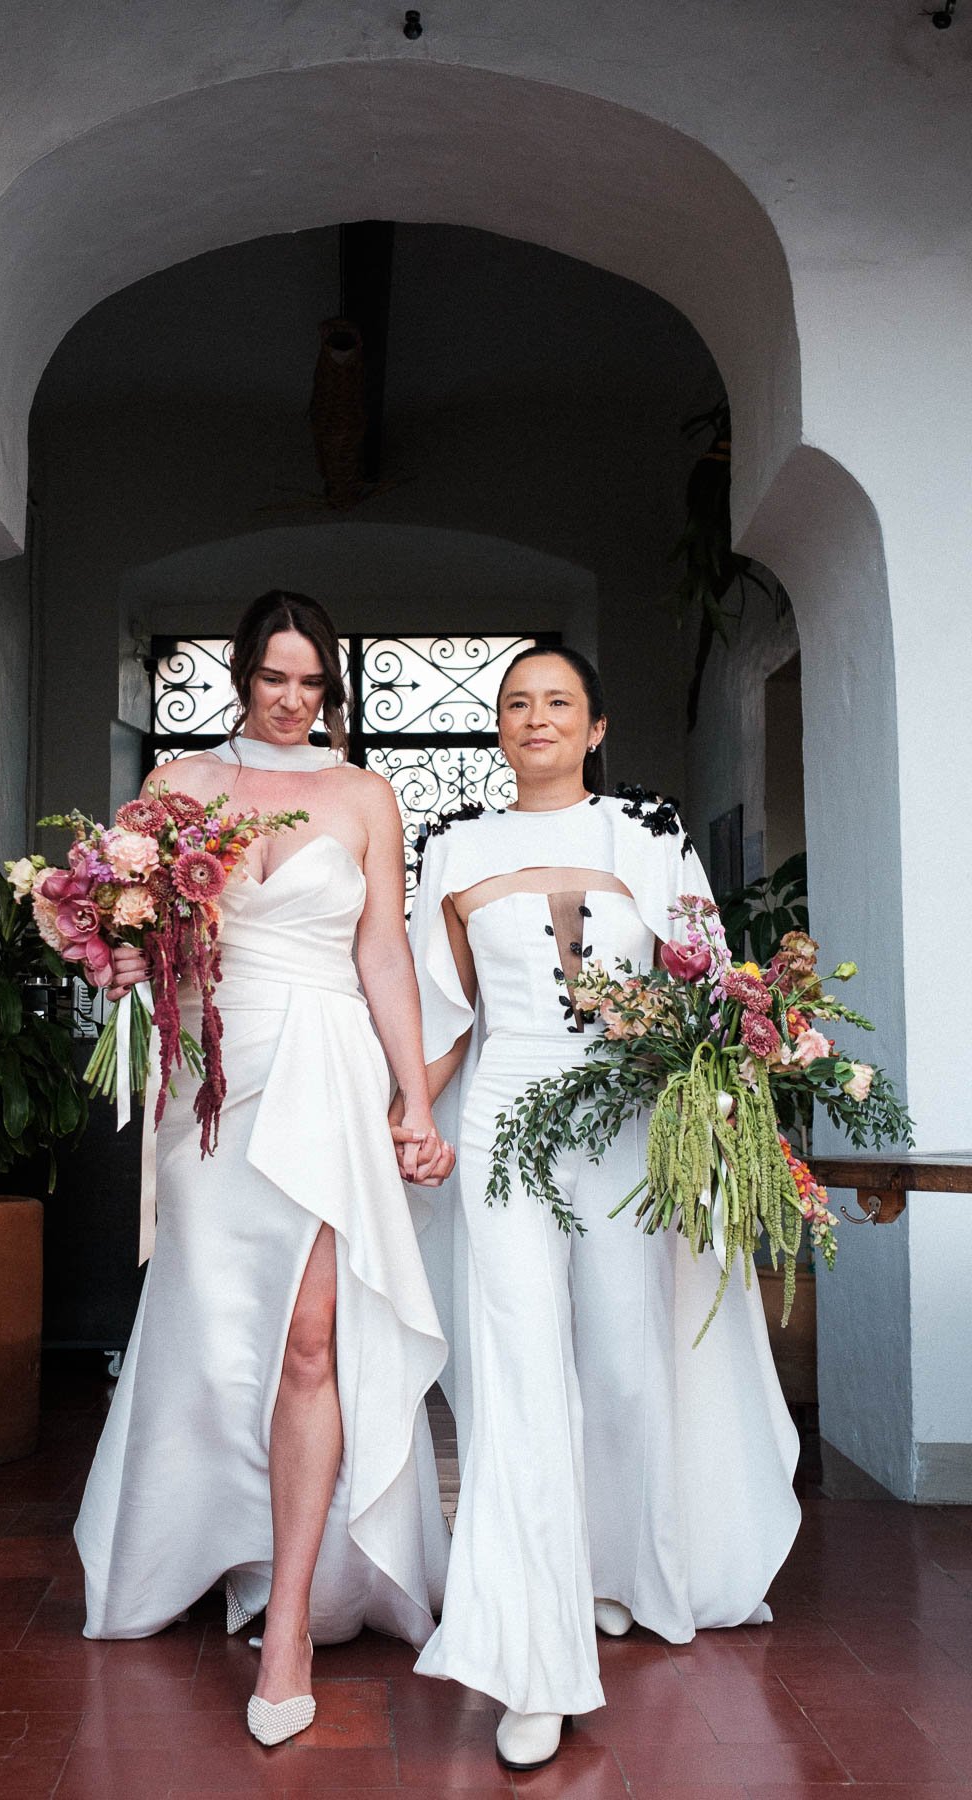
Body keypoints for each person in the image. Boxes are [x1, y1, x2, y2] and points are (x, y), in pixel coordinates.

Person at [406, 644, 800, 1772]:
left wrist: (722, 1118)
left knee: (624, 1366)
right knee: (521, 1372)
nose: (536, 718)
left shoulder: (650, 836)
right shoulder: (456, 848)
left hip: (627, 1124)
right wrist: (406, 1120)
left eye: (558, 703)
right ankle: (532, 1659)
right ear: (499, 730)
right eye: (516, 704)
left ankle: (613, 1573)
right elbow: (442, 1014)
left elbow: (711, 992)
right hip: (505, 1119)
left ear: (595, 727)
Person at [74, 591, 454, 1748]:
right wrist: (118, 951)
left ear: (331, 689)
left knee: (310, 1337)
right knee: (214, 1322)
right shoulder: (180, 789)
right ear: (241, 675)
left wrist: (416, 1097)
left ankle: (291, 1617)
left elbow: (382, 947)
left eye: (312, 683)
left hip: (330, 1065)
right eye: (275, 678)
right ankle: (211, 1547)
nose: (293, 701)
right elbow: (126, 925)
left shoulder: (364, 795)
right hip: (215, 1080)